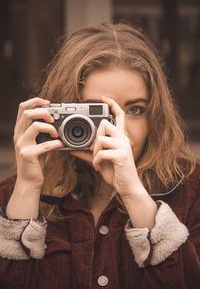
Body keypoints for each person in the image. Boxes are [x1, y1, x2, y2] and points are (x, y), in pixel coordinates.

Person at [0, 22, 199, 289]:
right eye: (98, 111)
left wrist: (134, 195)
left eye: (135, 110)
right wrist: (26, 189)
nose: (117, 129)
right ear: (61, 111)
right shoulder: (17, 193)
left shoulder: (190, 191)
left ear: (156, 116)